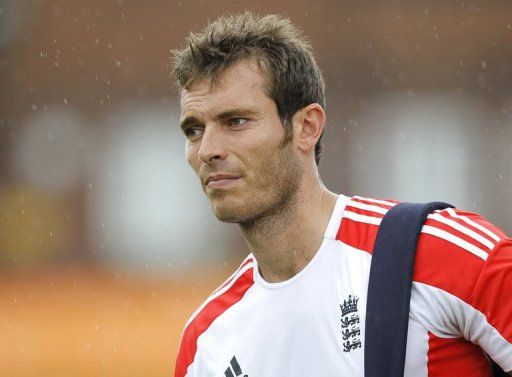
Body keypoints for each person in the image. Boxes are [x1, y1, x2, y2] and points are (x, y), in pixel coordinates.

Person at [171, 12, 512, 377]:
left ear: (306, 127)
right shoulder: (205, 344)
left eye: (235, 121)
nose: (207, 149)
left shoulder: (438, 251)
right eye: (194, 130)